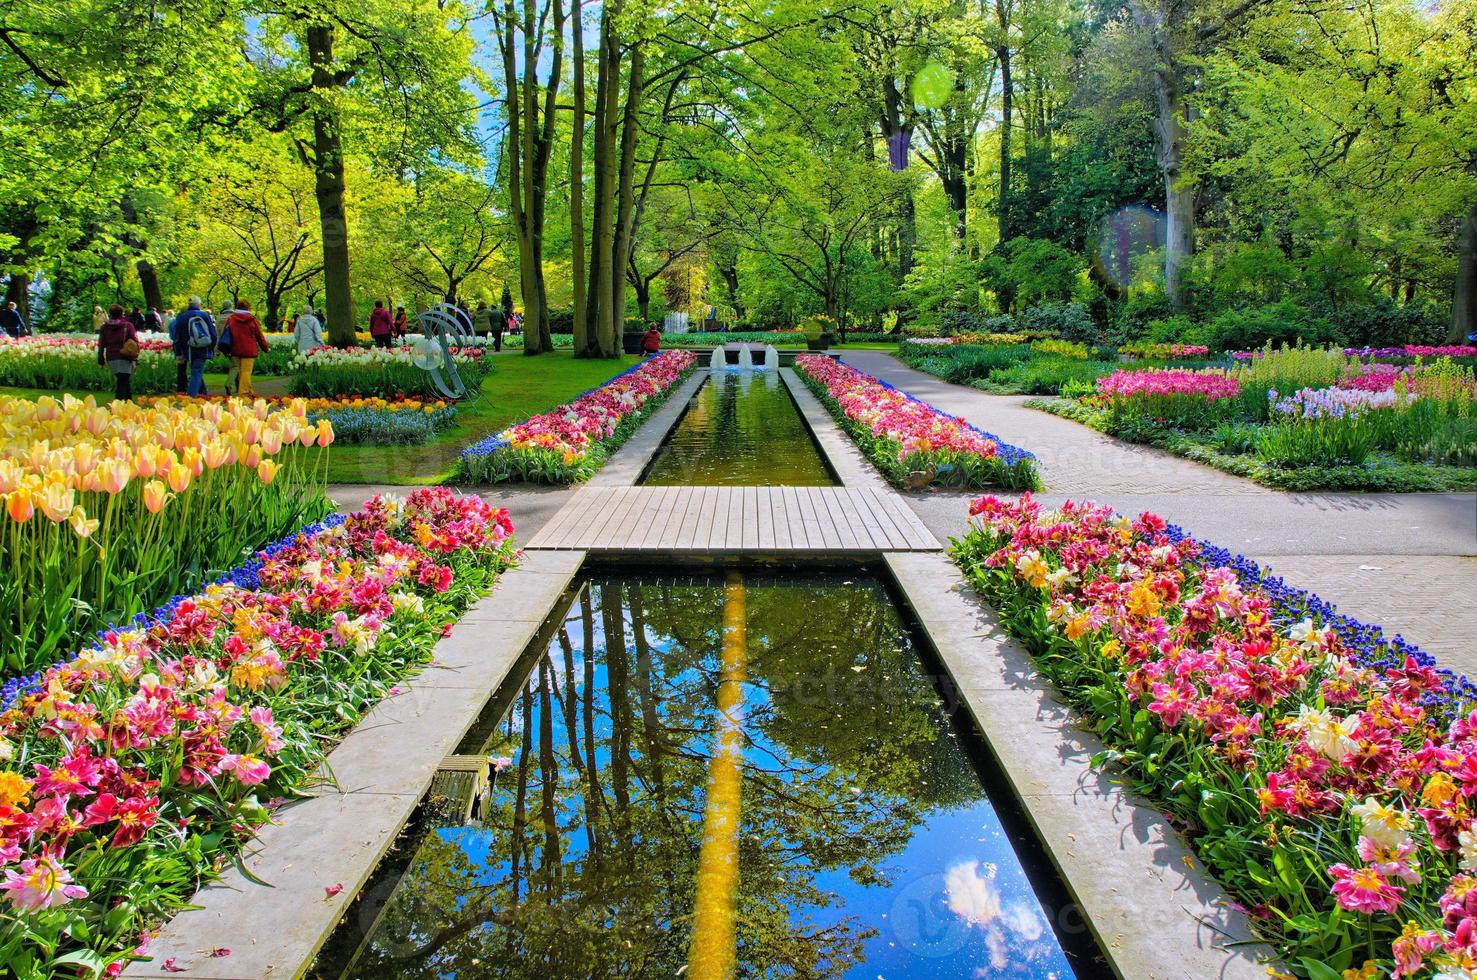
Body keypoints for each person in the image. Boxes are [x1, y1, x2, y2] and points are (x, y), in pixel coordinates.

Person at [170, 298, 218, 397]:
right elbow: (213, 333)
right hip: (202, 346)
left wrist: (178, 352)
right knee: (197, 371)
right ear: (199, 304)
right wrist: (212, 347)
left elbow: (177, 337)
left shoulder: (182, 317)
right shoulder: (204, 315)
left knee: (196, 369)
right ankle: (191, 396)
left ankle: (203, 393)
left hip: (188, 348)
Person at [223, 300, 269, 396]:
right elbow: (259, 336)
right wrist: (265, 348)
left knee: (242, 372)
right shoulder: (252, 319)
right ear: (248, 308)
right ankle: (243, 393)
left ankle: (249, 391)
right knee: (246, 372)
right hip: (249, 349)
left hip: (235, 349)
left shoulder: (231, 319)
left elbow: (226, 333)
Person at [97, 304, 139, 400]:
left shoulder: (104, 327)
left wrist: (101, 360)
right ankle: (117, 406)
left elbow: (101, 345)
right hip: (125, 356)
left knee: (124, 380)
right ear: (122, 313)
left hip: (111, 357)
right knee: (122, 381)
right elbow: (135, 342)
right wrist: (135, 359)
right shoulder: (128, 325)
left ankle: (129, 405)